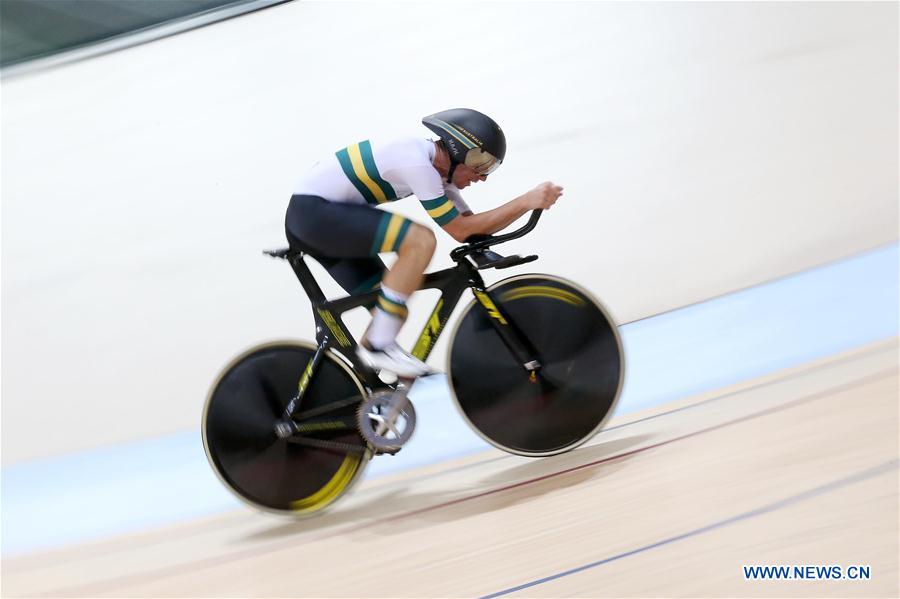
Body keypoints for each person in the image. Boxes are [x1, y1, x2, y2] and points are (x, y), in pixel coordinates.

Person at [285, 108, 563, 377]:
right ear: (457, 150)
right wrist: (526, 201)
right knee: (420, 240)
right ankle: (379, 348)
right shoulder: (417, 163)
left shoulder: (438, 174)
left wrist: (497, 236)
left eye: (490, 167)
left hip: (322, 221)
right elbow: (460, 230)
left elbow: (474, 226)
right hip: (313, 215)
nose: (483, 177)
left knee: (391, 308)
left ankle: (368, 389)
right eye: (481, 164)